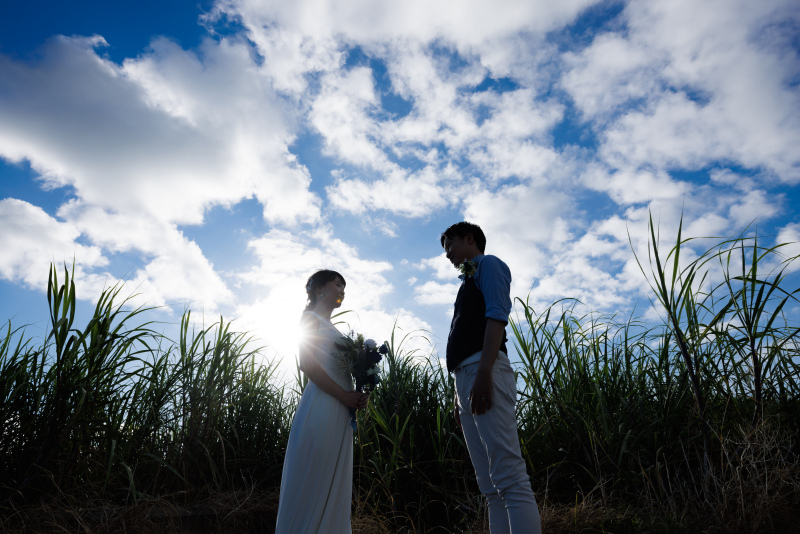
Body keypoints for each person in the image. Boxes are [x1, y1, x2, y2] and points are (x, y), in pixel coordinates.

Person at [441, 222, 542, 534]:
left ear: (470, 239)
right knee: (489, 486)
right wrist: (458, 399)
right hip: (467, 380)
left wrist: (484, 373)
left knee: (509, 478)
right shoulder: (468, 280)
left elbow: (497, 314)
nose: (448, 255)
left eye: (450, 246)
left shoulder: (489, 265)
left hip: (485, 372)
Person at [275, 270, 369, 534]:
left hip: (341, 409)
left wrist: (360, 389)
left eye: (344, 286)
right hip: (323, 405)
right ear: (318, 289)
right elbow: (308, 364)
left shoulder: (336, 329)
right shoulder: (309, 319)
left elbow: (346, 369)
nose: (342, 289)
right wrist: (343, 395)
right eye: (337, 283)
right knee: (315, 475)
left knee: (334, 478)